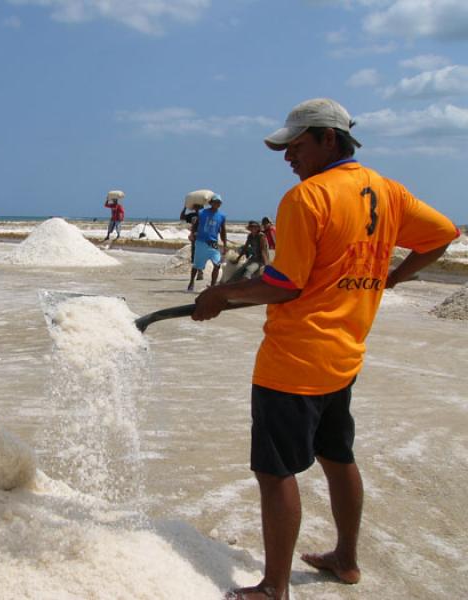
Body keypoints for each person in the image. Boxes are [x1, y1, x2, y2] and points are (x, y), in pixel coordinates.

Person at [189, 98, 458, 600]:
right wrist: (392, 277)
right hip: (345, 355)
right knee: (337, 456)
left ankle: (274, 587)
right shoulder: (388, 190)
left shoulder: (307, 198)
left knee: (274, 471)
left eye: (295, 146)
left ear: (327, 138)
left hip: (293, 361)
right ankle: (347, 560)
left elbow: (285, 284)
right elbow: (443, 234)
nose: (287, 157)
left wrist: (221, 293)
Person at [187, 194, 227, 291]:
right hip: (201, 242)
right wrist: (192, 234)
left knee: (217, 265)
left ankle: (212, 287)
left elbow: (223, 231)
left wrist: (225, 244)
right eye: (215, 202)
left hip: (213, 243)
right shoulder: (202, 212)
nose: (217, 204)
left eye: (219, 202)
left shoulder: (222, 216)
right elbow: (195, 225)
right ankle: (192, 281)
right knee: (197, 265)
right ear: (211, 203)